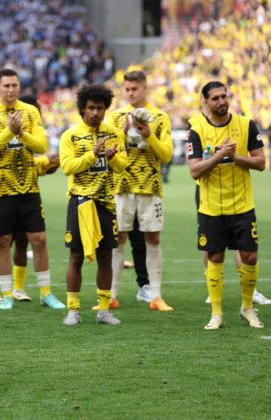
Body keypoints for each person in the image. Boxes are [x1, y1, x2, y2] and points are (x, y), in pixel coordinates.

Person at [0, 68, 63, 310]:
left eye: (15, 85)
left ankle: (46, 292)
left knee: (39, 238)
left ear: (19, 87)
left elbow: (41, 144)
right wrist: (9, 131)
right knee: (3, 241)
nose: (11, 90)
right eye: (6, 86)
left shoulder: (30, 112)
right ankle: (6, 294)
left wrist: (21, 132)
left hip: (28, 188)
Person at [186, 81, 265, 330]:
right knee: (215, 257)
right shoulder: (196, 129)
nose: (221, 101)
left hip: (242, 204)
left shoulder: (245, 124)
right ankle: (217, 313)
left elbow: (261, 162)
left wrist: (235, 157)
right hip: (212, 206)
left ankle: (247, 308)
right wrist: (220, 155)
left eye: (224, 96)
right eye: (215, 98)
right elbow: (194, 170)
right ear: (205, 102)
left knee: (250, 257)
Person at [59, 84, 128, 326]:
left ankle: (104, 309)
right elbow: (67, 167)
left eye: (100, 108)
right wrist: (93, 154)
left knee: (106, 256)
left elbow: (123, 166)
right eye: (91, 108)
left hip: (106, 203)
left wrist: (112, 157)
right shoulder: (70, 135)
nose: (96, 113)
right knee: (76, 256)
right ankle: (73, 309)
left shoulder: (114, 134)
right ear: (82, 109)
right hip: (80, 202)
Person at [107, 70, 174, 311]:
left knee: (153, 238)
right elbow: (108, 150)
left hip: (150, 187)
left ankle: (156, 296)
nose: (130, 93)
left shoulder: (159, 117)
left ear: (145, 88)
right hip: (121, 186)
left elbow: (166, 155)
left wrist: (150, 135)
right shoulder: (115, 117)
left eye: (135, 89)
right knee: (118, 238)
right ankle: (111, 295)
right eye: (127, 89)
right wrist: (122, 133)